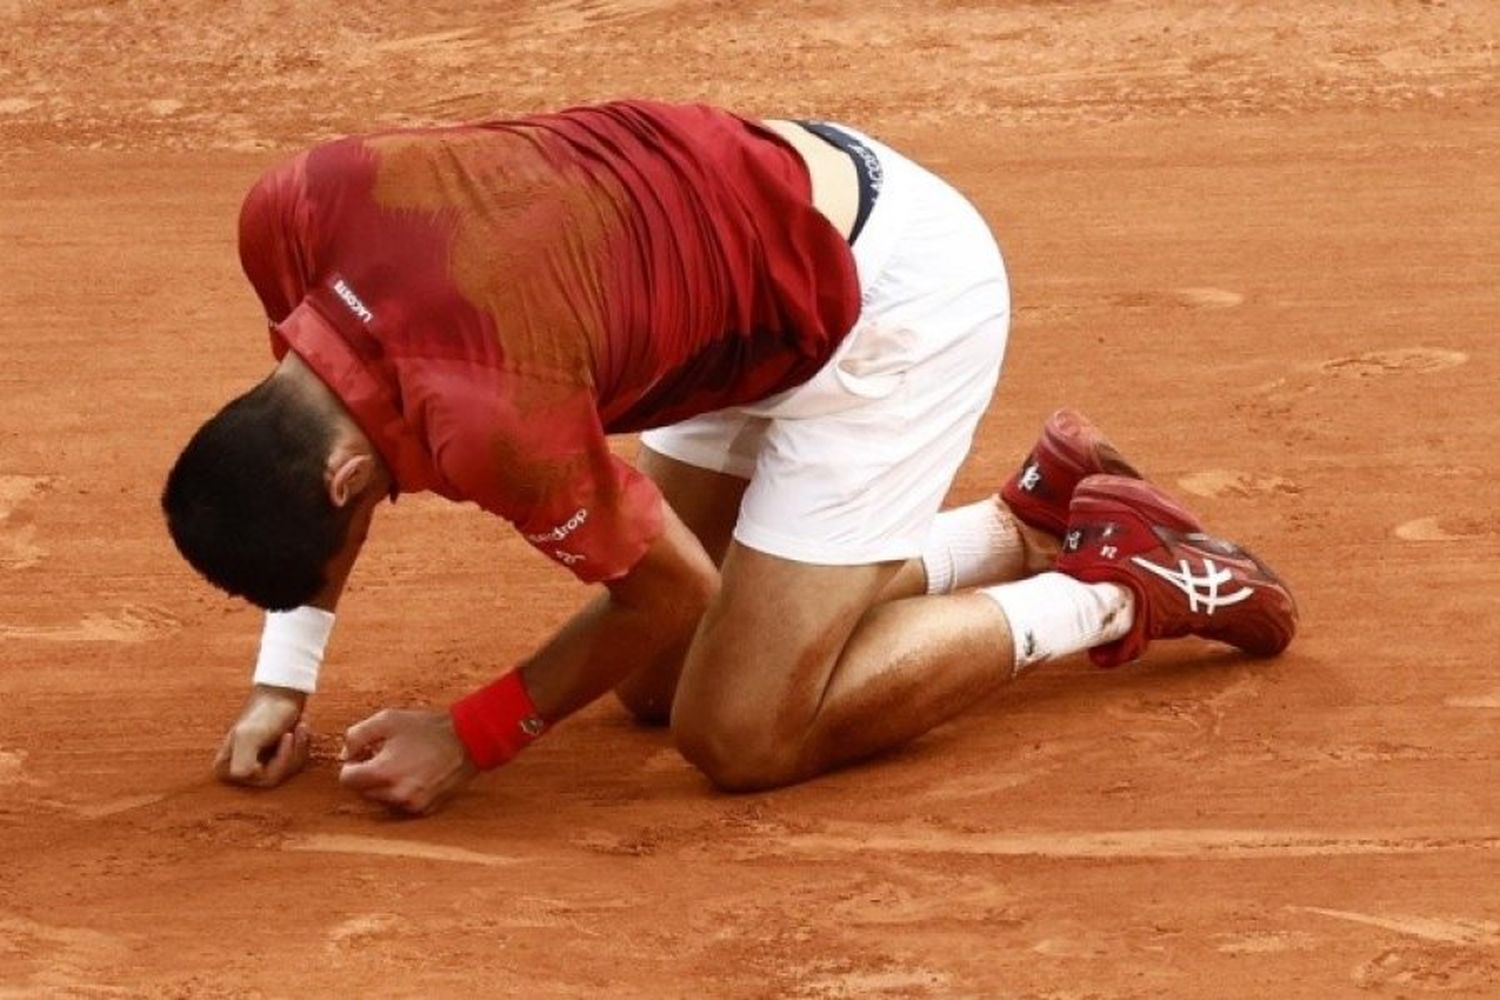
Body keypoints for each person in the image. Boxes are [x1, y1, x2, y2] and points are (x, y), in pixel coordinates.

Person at [162, 100, 1297, 815]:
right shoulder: (290, 215)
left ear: (346, 481)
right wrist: (284, 680)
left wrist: (472, 735)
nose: (377, 514)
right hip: (729, 244)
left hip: (887, 302)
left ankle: (1113, 584)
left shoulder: (488, 418)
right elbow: (309, 463)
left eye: (361, 523)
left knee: (738, 730)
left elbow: (669, 591)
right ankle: (1027, 518)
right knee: (651, 684)